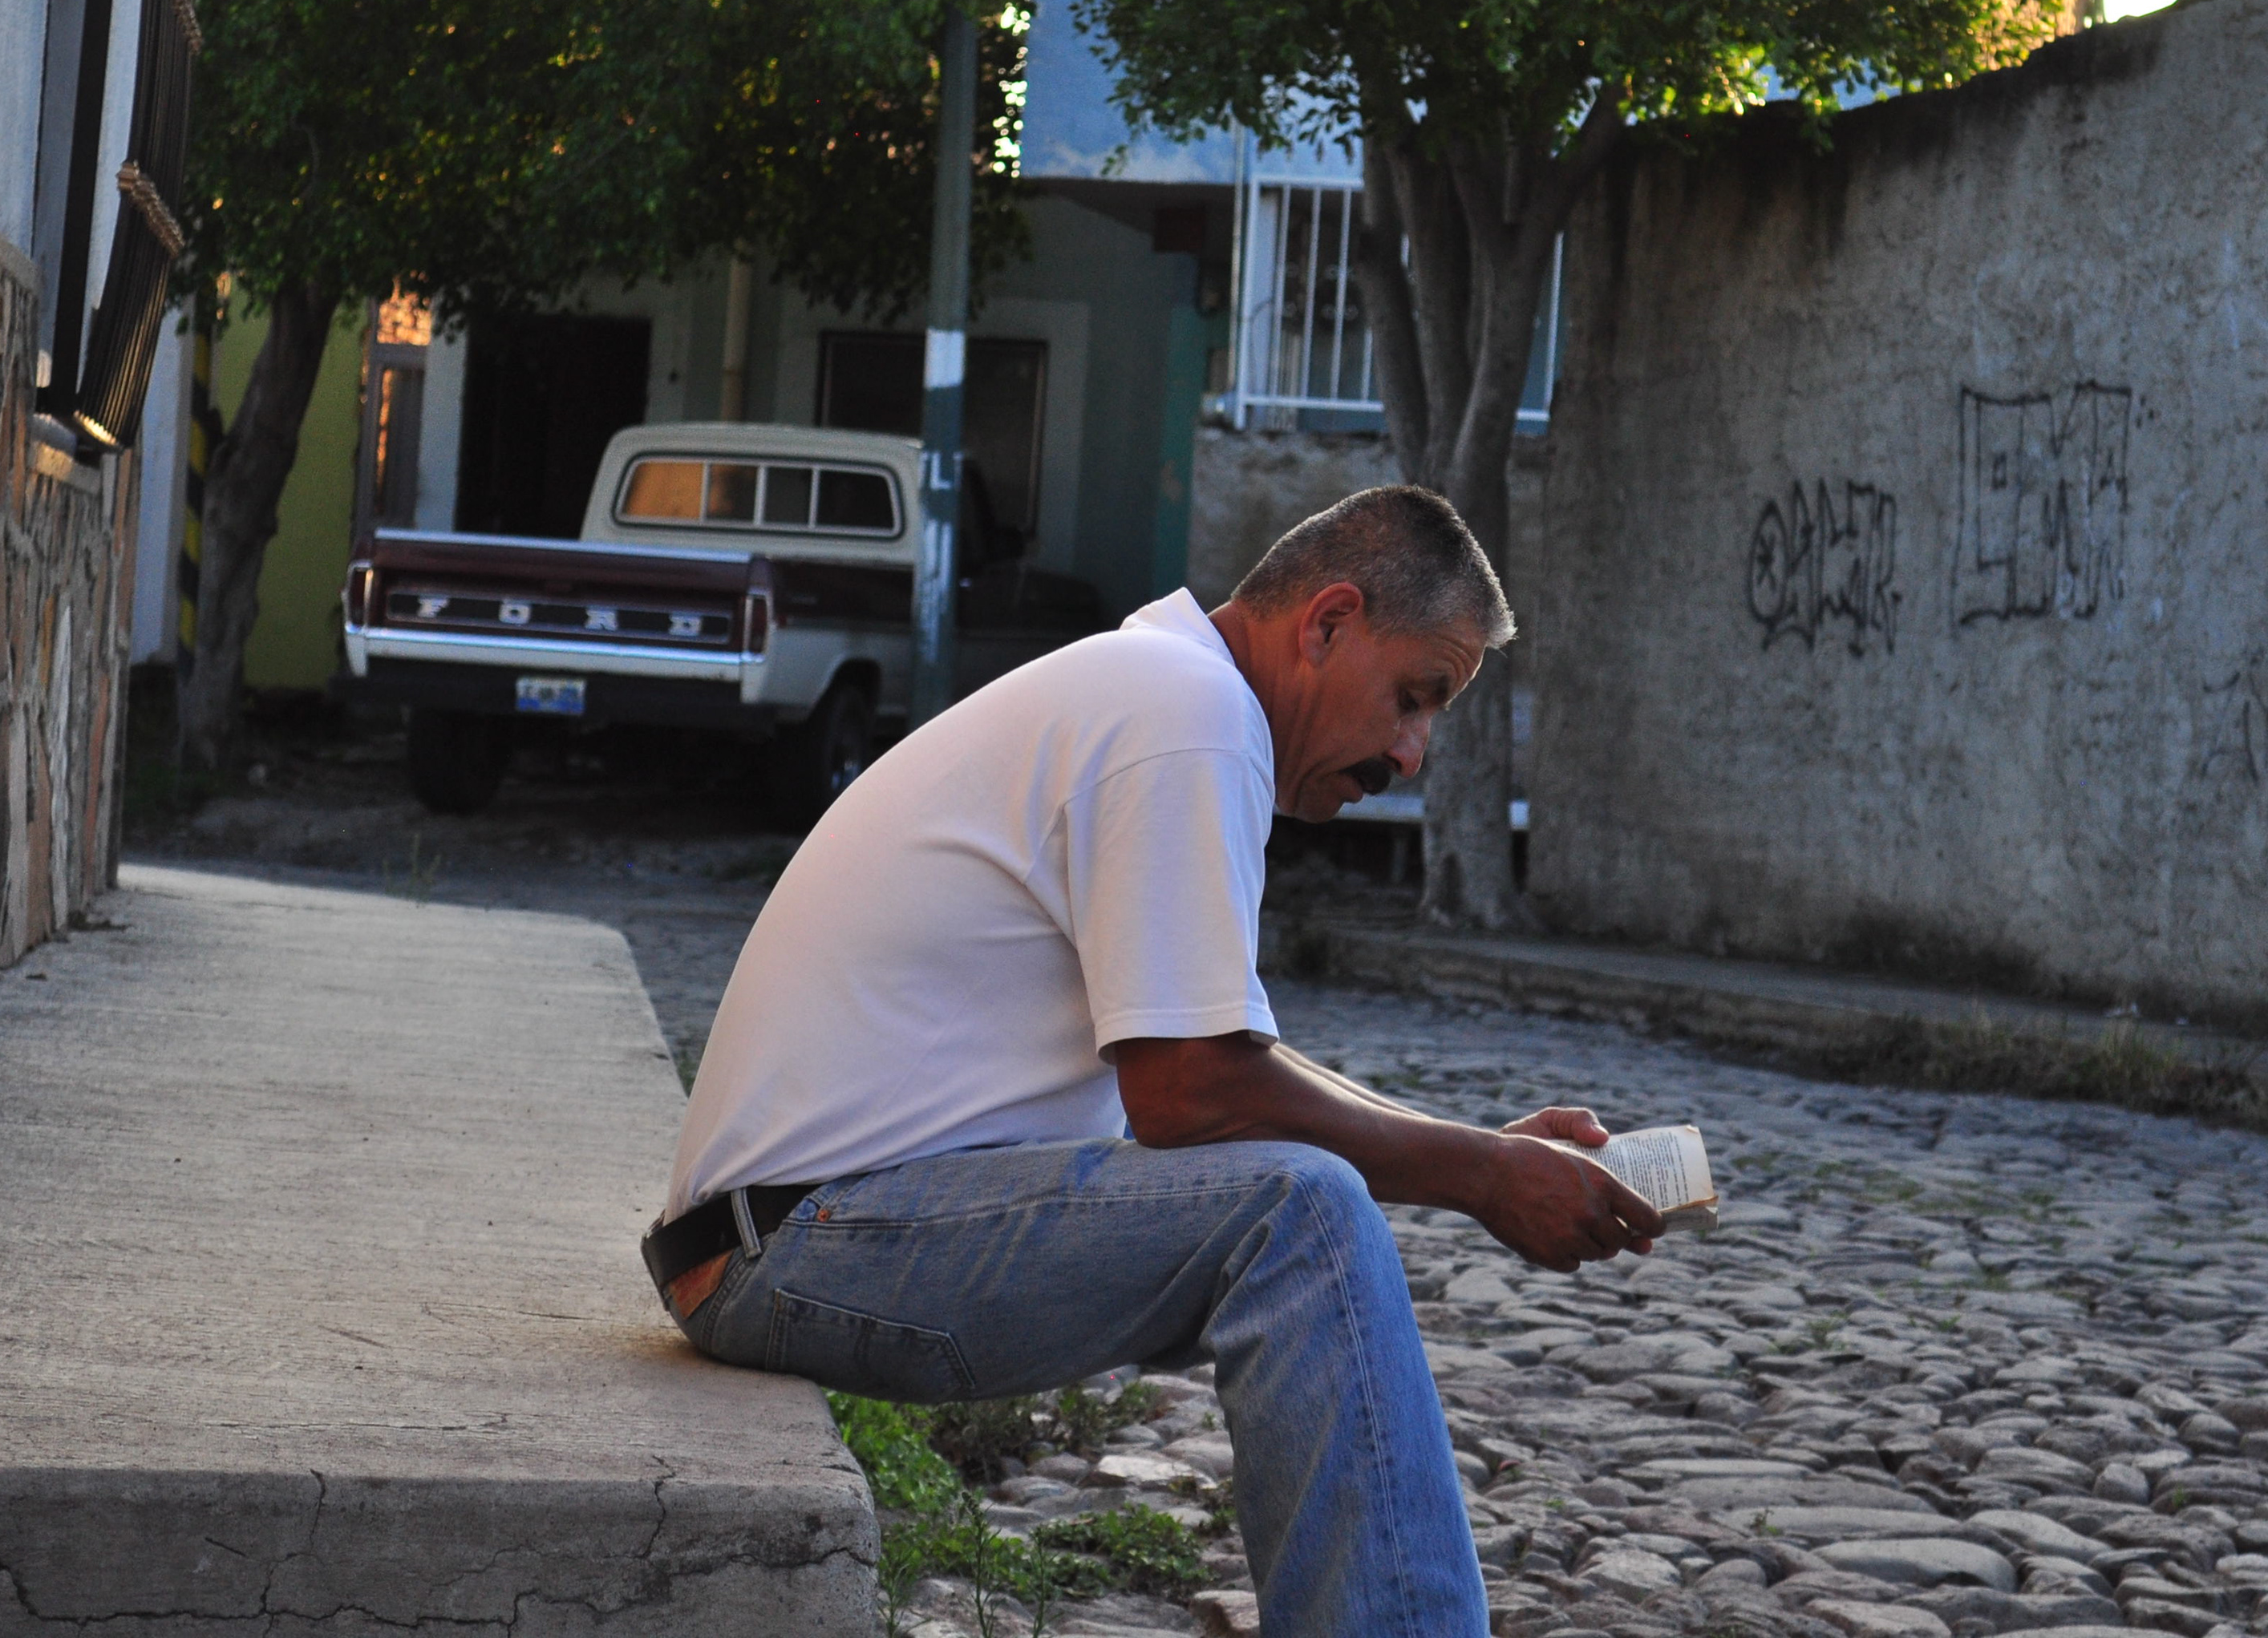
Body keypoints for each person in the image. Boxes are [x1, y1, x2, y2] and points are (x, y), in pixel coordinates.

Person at [647, 485, 1662, 1635]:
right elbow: (1192, 1094)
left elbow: (1229, 1058)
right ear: (1328, 622)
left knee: (1302, 1197)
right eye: (1414, 697)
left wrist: (1479, 1145)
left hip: (787, 1234)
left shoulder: (1161, 689)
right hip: (797, 1244)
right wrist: (1481, 1176)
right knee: (1304, 1215)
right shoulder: (1189, 713)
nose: (1413, 753)